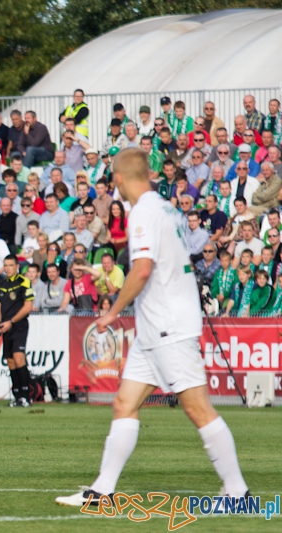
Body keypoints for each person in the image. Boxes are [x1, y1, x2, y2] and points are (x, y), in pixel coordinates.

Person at [56, 147, 249, 507]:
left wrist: (113, 312)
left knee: (198, 409)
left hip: (168, 325)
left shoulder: (143, 212)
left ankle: (238, 492)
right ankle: (101, 491)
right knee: (124, 403)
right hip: (154, 326)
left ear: (116, 180)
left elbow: (143, 269)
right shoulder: (166, 207)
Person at [0, 255, 34, 407]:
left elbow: (28, 306)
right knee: (10, 361)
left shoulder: (24, 282)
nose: (8, 268)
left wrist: (11, 322)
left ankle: (27, 396)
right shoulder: (2, 284)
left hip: (19, 325)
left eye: (11, 265)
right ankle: (17, 396)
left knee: (19, 358)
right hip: (6, 327)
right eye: (5, 265)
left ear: (17, 266)